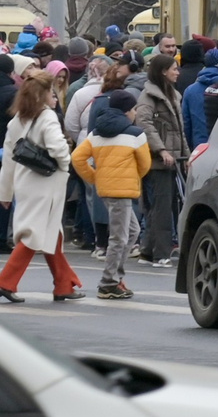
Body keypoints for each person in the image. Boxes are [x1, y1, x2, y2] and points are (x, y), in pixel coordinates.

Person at [0, 71, 77, 302]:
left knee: (52, 233)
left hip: (25, 181)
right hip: (47, 182)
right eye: (51, 92)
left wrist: (5, 192)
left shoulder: (16, 120)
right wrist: (66, 163)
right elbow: (58, 148)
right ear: (43, 95)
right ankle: (6, 281)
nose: (54, 96)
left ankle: (64, 284)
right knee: (34, 234)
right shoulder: (47, 117)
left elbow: (8, 160)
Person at [71, 88, 153, 300]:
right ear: (127, 111)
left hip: (106, 190)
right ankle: (108, 282)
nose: (135, 113)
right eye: (134, 109)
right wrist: (132, 177)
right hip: (123, 191)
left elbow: (78, 158)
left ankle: (116, 276)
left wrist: (95, 177)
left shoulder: (96, 133)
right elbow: (145, 165)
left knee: (131, 232)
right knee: (120, 237)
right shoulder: (135, 134)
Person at [134, 52, 185, 265]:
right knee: (162, 207)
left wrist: (186, 155)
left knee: (159, 206)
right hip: (159, 161)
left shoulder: (172, 95)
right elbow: (145, 125)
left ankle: (148, 250)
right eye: (174, 69)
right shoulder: (149, 97)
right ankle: (161, 253)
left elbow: (179, 131)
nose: (177, 72)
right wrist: (162, 150)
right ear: (163, 72)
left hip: (170, 159)